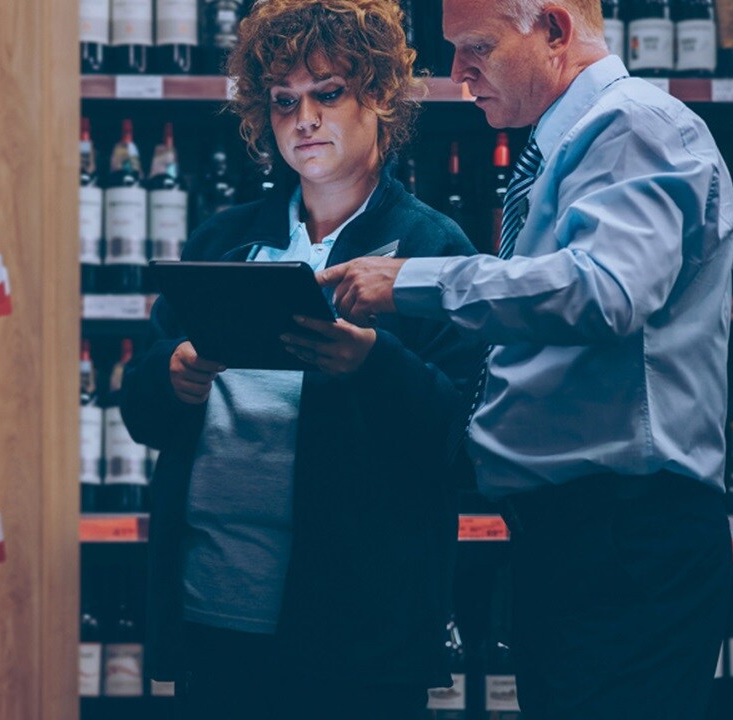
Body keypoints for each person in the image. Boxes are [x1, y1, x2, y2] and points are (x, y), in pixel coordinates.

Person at [317, 1, 733, 717]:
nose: (455, 73)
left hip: (626, 539)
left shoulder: (632, 125)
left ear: (554, 31)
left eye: (476, 46)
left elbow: (606, 290)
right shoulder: (568, 143)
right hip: (580, 536)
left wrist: (411, 281)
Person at [120, 0, 483, 717]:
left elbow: (465, 442)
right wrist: (172, 377)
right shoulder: (225, 240)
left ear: (378, 95)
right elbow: (140, 404)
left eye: (328, 93)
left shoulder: (437, 250)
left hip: (356, 643)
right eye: (284, 101)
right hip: (212, 620)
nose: (304, 119)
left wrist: (371, 364)